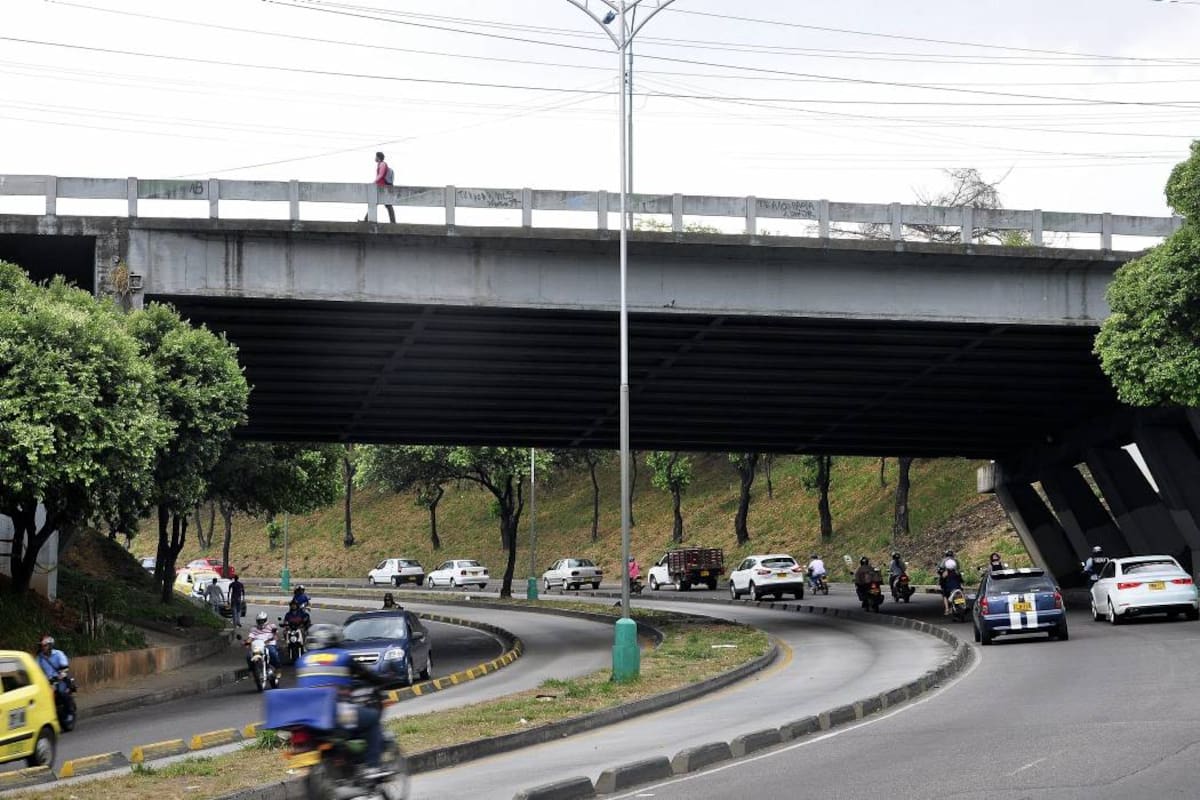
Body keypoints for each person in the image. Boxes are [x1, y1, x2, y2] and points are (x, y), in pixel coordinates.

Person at [295, 623, 394, 770]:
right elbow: (368, 675)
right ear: (335, 640)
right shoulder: (342, 657)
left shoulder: (302, 661)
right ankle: (373, 768)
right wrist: (385, 679)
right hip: (338, 713)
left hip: (310, 716)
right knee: (372, 719)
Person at [371, 151, 395, 223]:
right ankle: (393, 222)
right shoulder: (380, 164)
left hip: (383, 187)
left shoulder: (382, 164)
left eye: (375, 156)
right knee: (374, 203)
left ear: (378, 157)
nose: (374, 158)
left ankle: (393, 222)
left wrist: (373, 182)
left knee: (386, 204)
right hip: (381, 186)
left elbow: (381, 175)